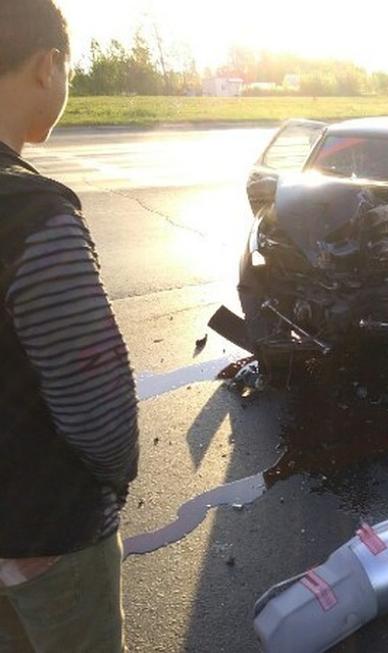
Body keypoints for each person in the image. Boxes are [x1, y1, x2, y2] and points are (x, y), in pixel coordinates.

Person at [0, 1, 139, 651]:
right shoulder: (32, 219)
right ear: (47, 67)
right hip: (47, 534)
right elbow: (102, 415)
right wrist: (118, 477)